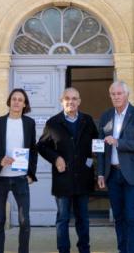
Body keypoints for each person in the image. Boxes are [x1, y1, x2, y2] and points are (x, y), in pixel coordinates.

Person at [37, 87, 99, 253]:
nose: (70, 101)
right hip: (63, 178)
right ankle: (63, 250)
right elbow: (41, 146)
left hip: (83, 177)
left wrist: (94, 157)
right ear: (61, 101)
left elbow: (96, 143)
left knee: (83, 219)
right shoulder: (53, 123)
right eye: (67, 98)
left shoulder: (87, 120)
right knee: (63, 218)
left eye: (74, 98)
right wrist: (56, 157)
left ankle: (84, 249)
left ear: (79, 101)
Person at [0, 88, 38, 253]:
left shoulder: (29, 123)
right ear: (9, 101)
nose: (16, 102)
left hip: (21, 178)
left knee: (24, 221)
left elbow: (33, 149)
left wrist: (30, 174)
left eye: (20, 100)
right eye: (14, 99)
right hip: (0, 179)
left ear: (25, 104)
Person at [96, 80, 134, 253]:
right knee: (118, 218)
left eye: (119, 93)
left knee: (132, 217)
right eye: (113, 94)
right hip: (112, 175)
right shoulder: (105, 116)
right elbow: (100, 147)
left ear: (127, 95)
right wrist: (100, 173)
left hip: (132, 174)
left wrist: (118, 142)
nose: (116, 97)